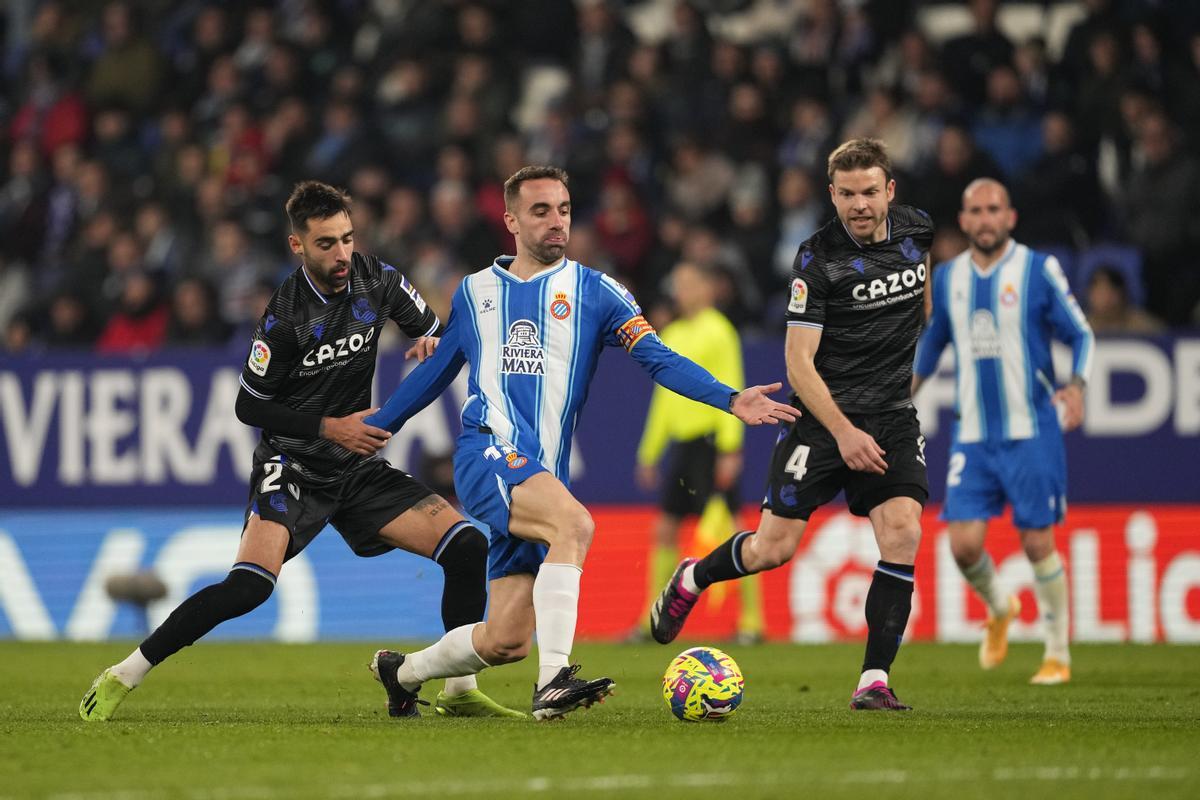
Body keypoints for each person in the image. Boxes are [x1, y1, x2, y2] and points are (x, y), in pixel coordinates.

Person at [364, 166, 798, 720]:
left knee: (505, 640)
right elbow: (438, 369)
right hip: (487, 452)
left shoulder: (600, 292)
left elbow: (657, 359)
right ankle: (553, 683)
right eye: (541, 211)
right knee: (576, 524)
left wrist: (729, 399)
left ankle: (400, 673)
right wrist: (382, 424)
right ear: (511, 220)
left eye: (564, 209)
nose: (556, 222)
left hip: (542, 475)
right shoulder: (475, 292)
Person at [80, 181, 522, 721]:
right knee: (248, 588)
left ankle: (458, 692)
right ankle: (124, 673)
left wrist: (433, 341)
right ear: (297, 246)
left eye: (347, 239)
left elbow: (435, 330)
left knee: (467, 547)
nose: (341, 254)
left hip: (355, 466)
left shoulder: (377, 280)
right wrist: (330, 428)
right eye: (326, 244)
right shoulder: (284, 317)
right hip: (291, 464)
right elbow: (248, 406)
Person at [649, 138, 933, 711]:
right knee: (772, 549)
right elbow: (797, 364)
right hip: (823, 422)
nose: (859, 205)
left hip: (892, 418)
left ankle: (873, 679)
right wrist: (846, 432)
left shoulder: (918, 231)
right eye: (847, 194)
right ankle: (692, 578)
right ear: (832, 195)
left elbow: (923, 304)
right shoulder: (816, 258)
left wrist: (907, 374)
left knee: (902, 531)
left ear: (890, 192)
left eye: (870, 192)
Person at [913, 178, 1094, 686]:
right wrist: (901, 396)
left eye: (995, 209)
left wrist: (1077, 386)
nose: (986, 218)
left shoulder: (1037, 270)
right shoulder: (948, 279)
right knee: (963, 546)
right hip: (973, 434)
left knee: (1037, 541)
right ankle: (1002, 606)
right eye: (976, 210)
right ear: (965, 221)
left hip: (1031, 430)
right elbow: (932, 346)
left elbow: (1079, 332)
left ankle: (1057, 652)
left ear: (1009, 217)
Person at [632, 260, 763, 643]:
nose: (684, 291)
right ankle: (648, 619)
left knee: (732, 529)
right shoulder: (670, 332)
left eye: (691, 284)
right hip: (682, 446)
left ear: (708, 289)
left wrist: (730, 449)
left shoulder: (719, 331)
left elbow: (733, 387)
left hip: (710, 443)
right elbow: (662, 400)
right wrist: (650, 451)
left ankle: (752, 622)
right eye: (680, 284)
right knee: (665, 529)